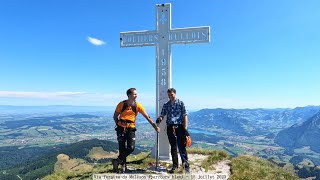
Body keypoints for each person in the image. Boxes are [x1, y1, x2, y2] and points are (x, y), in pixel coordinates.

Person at [112, 88, 159, 173]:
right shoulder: (121, 104)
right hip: (121, 128)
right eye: (134, 94)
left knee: (131, 148)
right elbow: (115, 116)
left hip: (131, 128)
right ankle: (123, 166)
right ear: (129, 95)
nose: (136, 96)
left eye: (136, 94)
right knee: (122, 148)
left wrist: (154, 126)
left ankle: (117, 161)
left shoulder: (137, 105)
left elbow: (147, 117)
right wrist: (119, 125)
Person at [156, 88, 190, 173]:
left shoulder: (180, 103)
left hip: (179, 127)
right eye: (169, 95)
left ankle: (186, 166)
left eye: (171, 94)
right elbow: (163, 114)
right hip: (170, 127)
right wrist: (159, 119)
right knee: (173, 147)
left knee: (182, 147)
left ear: (175, 94)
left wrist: (185, 129)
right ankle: (175, 166)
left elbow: (185, 115)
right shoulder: (166, 104)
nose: (170, 96)